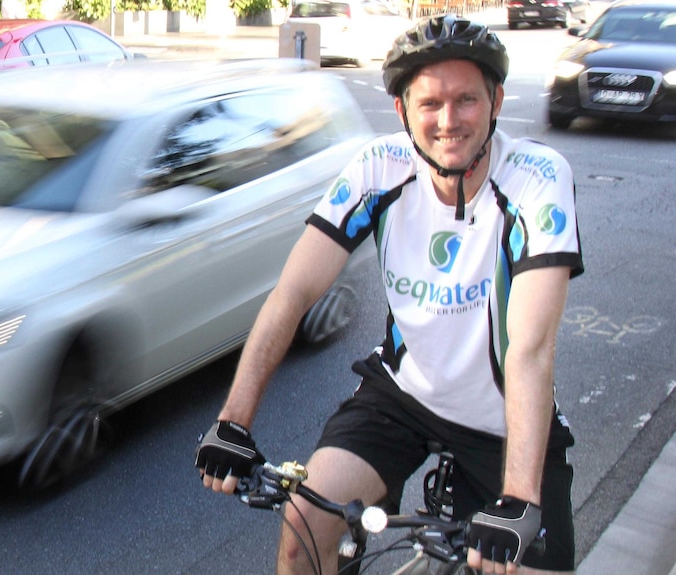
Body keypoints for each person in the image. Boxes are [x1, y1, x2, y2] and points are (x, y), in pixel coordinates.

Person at [195, 13, 584, 575]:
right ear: (402, 111)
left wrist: (521, 497)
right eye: (429, 103)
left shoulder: (536, 178)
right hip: (401, 397)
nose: (448, 121)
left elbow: (530, 348)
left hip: (504, 423)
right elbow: (293, 293)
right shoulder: (379, 168)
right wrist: (234, 421)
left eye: (466, 100)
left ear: (497, 100)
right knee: (303, 523)